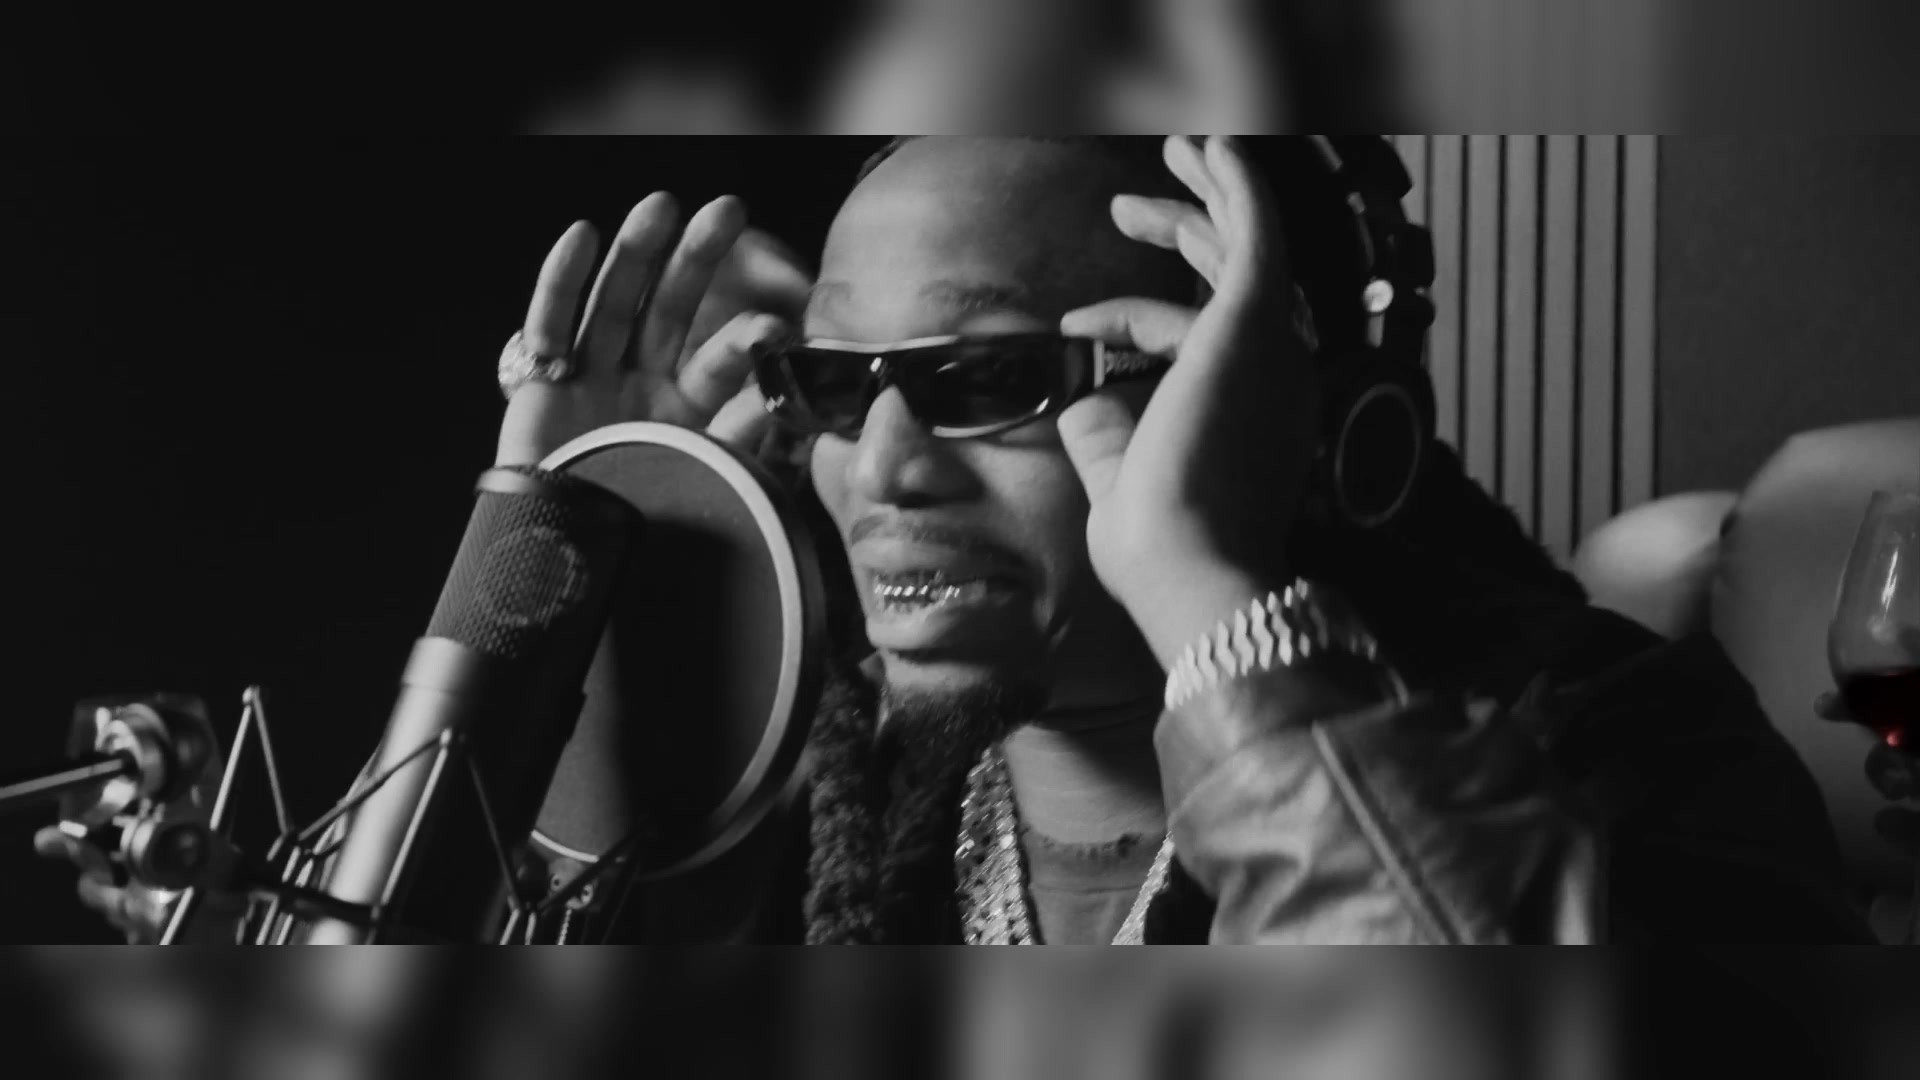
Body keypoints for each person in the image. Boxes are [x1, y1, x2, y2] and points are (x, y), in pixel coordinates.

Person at [45, 136, 1882, 943]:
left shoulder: (1637, 751)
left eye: (989, 377)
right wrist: (549, 556)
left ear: (1251, 394)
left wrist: (1201, 589)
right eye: (838, 384)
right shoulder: (796, 806)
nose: (882, 464)